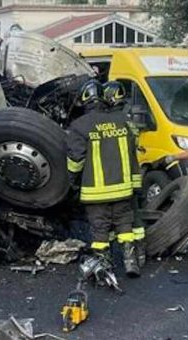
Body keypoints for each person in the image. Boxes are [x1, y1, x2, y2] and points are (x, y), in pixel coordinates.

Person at [66, 79, 142, 278]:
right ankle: (130, 261)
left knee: (100, 228)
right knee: (125, 224)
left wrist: (71, 180)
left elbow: (76, 159)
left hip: (95, 191)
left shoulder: (79, 125)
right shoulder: (122, 121)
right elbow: (133, 155)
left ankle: (104, 264)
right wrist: (136, 186)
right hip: (123, 189)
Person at [102, 80, 146, 269]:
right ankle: (138, 256)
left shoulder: (105, 123)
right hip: (130, 180)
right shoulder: (129, 123)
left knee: (110, 220)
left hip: (110, 180)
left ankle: (112, 258)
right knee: (134, 219)